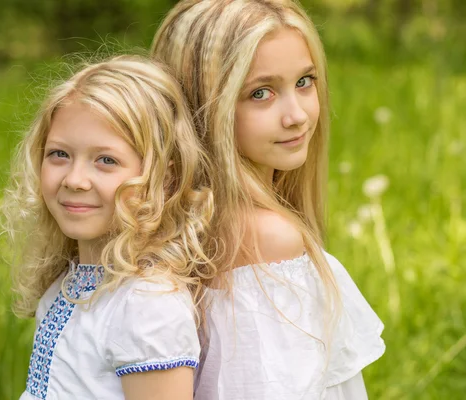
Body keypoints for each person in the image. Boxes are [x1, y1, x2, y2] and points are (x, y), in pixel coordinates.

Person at [151, 1, 385, 398]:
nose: (296, 115)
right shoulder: (267, 239)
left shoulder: (177, 225)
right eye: (261, 93)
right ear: (203, 108)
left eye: (305, 81)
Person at [0, 55, 215, 400]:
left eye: (106, 160)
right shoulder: (70, 282)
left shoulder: (147, 305)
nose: (75, 179)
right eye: (59, 155)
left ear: (164, 178)